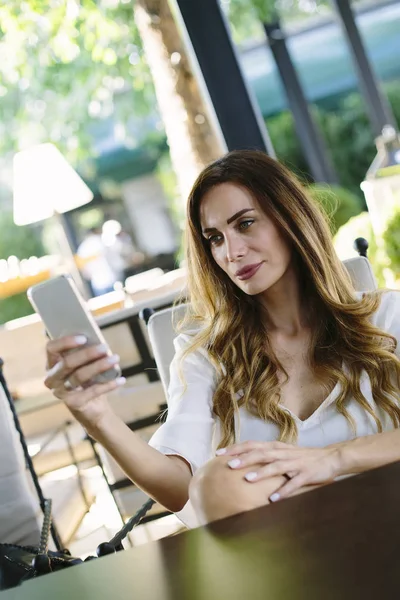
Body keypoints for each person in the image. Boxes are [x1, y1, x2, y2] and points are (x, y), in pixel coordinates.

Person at [44, 151, 400, 528]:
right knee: (217, 481)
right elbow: (180, 487)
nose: (232, 252)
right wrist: (96, 416)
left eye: (245, 224)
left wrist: (334, 459)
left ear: (290, 218)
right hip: (291, 552)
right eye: (215, 238)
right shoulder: (208, 355)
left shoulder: (386, 316)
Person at [76, 227, 119, 297]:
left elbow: (84, 270)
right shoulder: (99, 241)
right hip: (109, 278)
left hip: (97, 282)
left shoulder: (82, 248)